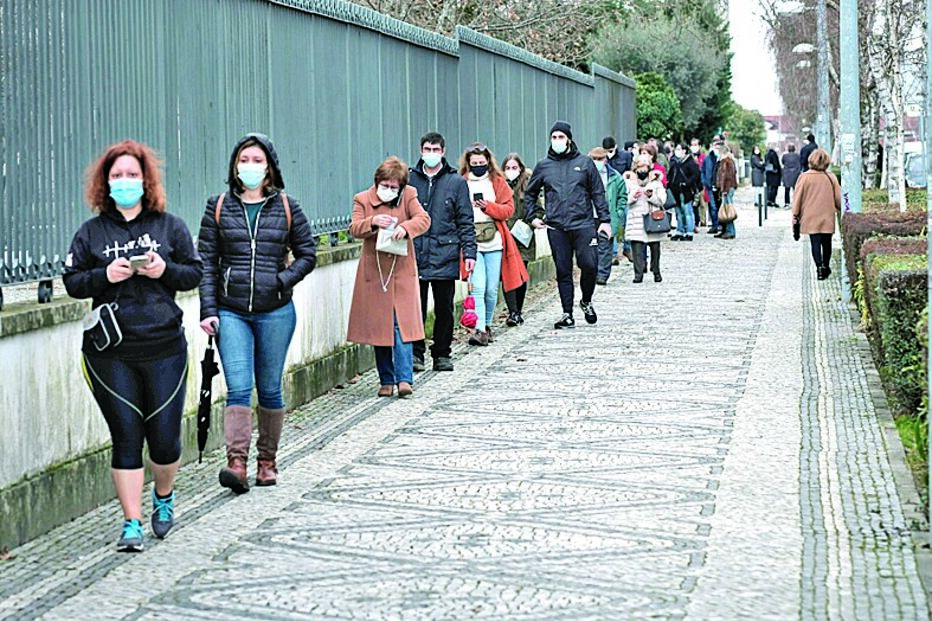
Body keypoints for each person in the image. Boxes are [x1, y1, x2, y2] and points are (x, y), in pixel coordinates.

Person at [64, 140, 203, 551]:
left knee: (163, 438)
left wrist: (163, 269)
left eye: (132, 175)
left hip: (164, 347)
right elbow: (73, 283)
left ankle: (163, 497)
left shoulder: (169, 226)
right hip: (110, 352)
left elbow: (193, 273)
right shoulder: (91, 232)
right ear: (105, 183)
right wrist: (105, 274)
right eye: (117, 176)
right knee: (126, 434)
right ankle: (131, 523)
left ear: (146, 181)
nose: (125, 182)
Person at [198, 133, 317, 494]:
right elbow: (206, 262)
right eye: (244, 160)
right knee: (237, 386)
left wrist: (283, 280)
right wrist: (208, 309)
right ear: (235, 166)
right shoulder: (218, 206)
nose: (249, 167)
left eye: (257, 160)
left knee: (268, 387)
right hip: (231, 311)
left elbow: (308, 253)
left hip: (276, 311)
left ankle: (268, 461)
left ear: (270, 167)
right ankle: (237, 463)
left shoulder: (286, 206)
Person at [347, 157, 431, 397]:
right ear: (377, 183)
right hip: (375, 273)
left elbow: (423, 219)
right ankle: (386, 379)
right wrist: (372, 222)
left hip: (401, 269)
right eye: (385, 185)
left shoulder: (409, 195)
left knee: (400, 324)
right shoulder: (362, 199)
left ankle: (405, 378)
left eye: (394, 187)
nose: (389, 190)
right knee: (379, 326)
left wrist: (406, 229)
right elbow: (353, 228)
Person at [525, 121, 612, 329]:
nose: (557, 141)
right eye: (554, 137)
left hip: (583, 224)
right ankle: (567, 313)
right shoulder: (544, 166)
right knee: (563, 270)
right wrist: (533, 216)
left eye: (561, 137)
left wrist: (605, 221)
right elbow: (530, 193)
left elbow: (597, 193)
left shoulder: (585, 163)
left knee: (589, 265)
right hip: (557, 227)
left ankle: (586, 300)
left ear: (569, 139)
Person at [409, 132, 476, 372]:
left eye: (435, 149)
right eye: (427, 149)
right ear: (420, 150)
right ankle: (416, 353)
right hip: (415, 253)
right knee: (415, 306)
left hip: (444, 251)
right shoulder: (410, 180)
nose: (431, 154)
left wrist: (469, 252)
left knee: (444, 307)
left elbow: (465, 220)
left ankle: (442, 353)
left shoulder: (455, 182)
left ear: (443, 151)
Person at [459, 143, 528, 345]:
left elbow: (508, 209)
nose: (478, 166)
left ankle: (486, 325)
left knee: (491, 289)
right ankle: (479, 329)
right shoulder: (461, 182)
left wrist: (487, 207)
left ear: (488, 162)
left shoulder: (497, 181)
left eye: (482, 162)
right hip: (472, 241)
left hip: (495, 241)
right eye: (474, 163)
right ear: (468, 163)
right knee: (478, 287)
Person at [791, 148, 841, 280]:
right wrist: (845, 209)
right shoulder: (831, 177)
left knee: (815, 242)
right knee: (827, 243)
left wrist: (795, 215)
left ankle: (819, 267)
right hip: (827, 215)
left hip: (810, 215)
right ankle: (826, 265)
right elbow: (839, 199)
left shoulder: (804, 177)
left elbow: (797, 198)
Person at [502, 153, 535, 326]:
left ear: (521, 168)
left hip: (523, 236)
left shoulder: (528, 185)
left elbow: (536, 208)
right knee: (508, 274)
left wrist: (531, 223)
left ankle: (518, 310)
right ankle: (512, 312)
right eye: (508, 168)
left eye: (514, 168)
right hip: (505, 236)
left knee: (521, 275)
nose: (511, 171)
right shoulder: (500, 186)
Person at [623, 154, 667, 283]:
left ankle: (656, 271)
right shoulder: (628, 181)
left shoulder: (656, 182)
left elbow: (662, 200)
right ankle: (638, 273)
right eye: (640, 166)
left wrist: (651, 196)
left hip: (652, 218)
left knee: (655, 247)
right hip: (635, 218)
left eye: (645, 166)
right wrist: (633, 197)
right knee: (636, 247)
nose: (642, 169)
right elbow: (624, 199)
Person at [588, 147, 627, 284]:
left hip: (608, 216)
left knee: (605, 246)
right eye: (594, 159)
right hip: (589, 216)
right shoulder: (584, 175)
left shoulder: (614, 176)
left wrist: (618, 212)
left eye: (600, 159)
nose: (597, 162)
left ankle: (602, 275)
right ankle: (592, 273)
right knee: (591, 247)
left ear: (606, 159)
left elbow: (623, 196)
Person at [668, 143, 700, 241]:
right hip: (676, 190)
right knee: (678, 212)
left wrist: (687, 183)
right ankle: (680, 230)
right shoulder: (674, 162)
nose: (677, 151)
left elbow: (696, 175)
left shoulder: (690, 163)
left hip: (686, 191)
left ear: (684, 151)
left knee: (687, 211)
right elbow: (670, 175)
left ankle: (689, 232)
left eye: (679, 149)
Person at [715, 145, 739, 240]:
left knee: (727, 210)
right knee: (727, 209)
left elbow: (727, 178)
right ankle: (728, 230)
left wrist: (724, 190)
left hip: (727, 188)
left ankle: (730, 231)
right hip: (729, 188)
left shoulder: (726, 162)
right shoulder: (729, 161)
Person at [701, 137, 722, 234]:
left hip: (720, 187)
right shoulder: (707, 158)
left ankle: (721, 224)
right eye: (715, 145)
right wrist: (704, 181)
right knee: (712, 206)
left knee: (720, 206)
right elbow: (703, 171)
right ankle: (715, 225)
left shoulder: (722, 158)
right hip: (709, 185)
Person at [781, 144, 802, 208]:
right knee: (796, 189)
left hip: (787, 174)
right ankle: (796, 202)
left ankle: (787, 203)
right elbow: (800, 162)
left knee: (787, 189)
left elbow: (783, 162)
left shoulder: (785, 156)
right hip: (796, 173)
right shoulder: (798, 156)